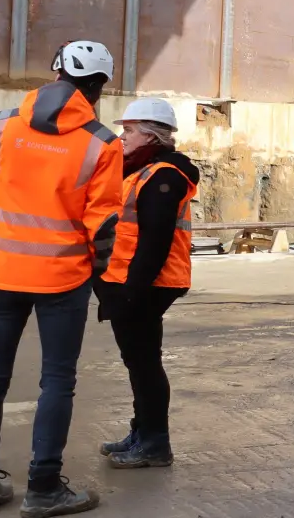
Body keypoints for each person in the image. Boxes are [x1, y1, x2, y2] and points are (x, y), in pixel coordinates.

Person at [0, 41, 124, 515]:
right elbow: (103, 226)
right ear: (99, 86)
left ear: (56, 73)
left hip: (0, 271)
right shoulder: (103, 142)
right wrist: (104, 278)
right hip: (63, 279)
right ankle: (43, 489)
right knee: (57, 381)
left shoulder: (2, 124)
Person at [95, 97, 197, 470]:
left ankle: (154, 443)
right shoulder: (141, 170)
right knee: (139, 361)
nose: (123, 138)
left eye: (130, 131)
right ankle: (143, 432)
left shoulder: (164, 175)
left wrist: (131, 293)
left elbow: (155, 241)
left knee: (144, 362)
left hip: (148, 284)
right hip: (131, 281)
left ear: (151, 135)